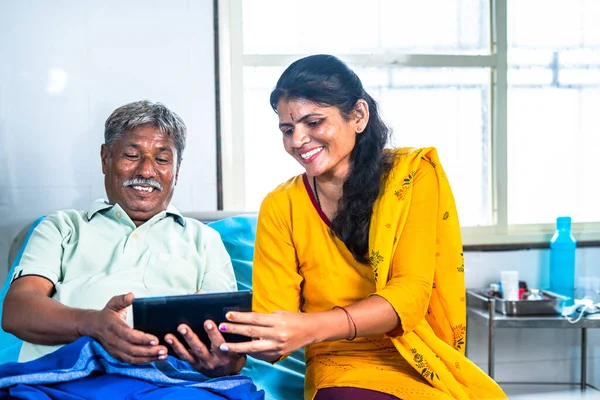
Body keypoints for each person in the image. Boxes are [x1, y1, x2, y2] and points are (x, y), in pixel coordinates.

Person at [215, 55, 508, 400]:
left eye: (314, 122)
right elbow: (275, 332)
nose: (298, 140)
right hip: (339, 365)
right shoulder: (282, 205)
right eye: (288, 129)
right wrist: (234, 347)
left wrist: (308, 327)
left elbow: (409, 296)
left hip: (419, 356)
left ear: (358, 115)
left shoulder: (411, 177)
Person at [2, 101, 248, 381]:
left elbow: (232, 349)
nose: (146, 171)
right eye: (131, 155)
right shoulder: (62, 227)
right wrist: (93, 324)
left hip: (173, 383)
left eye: (162, 159)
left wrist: (220, 361)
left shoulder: (204, 239)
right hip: (64, 380)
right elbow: (17, 310)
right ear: (105, 158)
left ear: (177, 171)